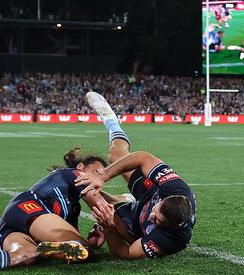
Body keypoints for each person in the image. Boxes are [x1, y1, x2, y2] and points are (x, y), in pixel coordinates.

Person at [74, 91, 196, 260]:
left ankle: (123, 203)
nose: (153, 216)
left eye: (158, 221)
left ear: (175, 226)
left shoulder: (173, 240)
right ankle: (111, 119)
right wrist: (102, 176)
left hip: (136, 230)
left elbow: (126, 252)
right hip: (149, 193)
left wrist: (108, 228)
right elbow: (142, 158)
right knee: (116, 155)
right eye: (156, 211)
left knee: (92, 196)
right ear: (164, 199)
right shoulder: (175, 188)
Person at [0, 149, 108, 271]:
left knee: (24, 256)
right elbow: (102, 206)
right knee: (85, 250)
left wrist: (92, 242)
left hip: (8, 226)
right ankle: (48, 250)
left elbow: (72, 245)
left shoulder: (74, 208)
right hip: (33, 206)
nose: (100, 178)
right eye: (97, 172)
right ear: (80, 166)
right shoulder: (74, 174)